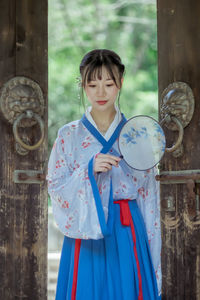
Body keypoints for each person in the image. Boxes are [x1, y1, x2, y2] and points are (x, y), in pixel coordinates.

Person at [47, 49, 162, 300]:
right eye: (92, 84)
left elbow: (149, 195)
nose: (101, 92)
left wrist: (154, 258)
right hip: (86, 233)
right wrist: (89, 170)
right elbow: (55, 187)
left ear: (120, 82)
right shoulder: (69, 135)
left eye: (108, 83)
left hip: (127, 229)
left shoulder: (138, 135)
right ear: (83, 86)